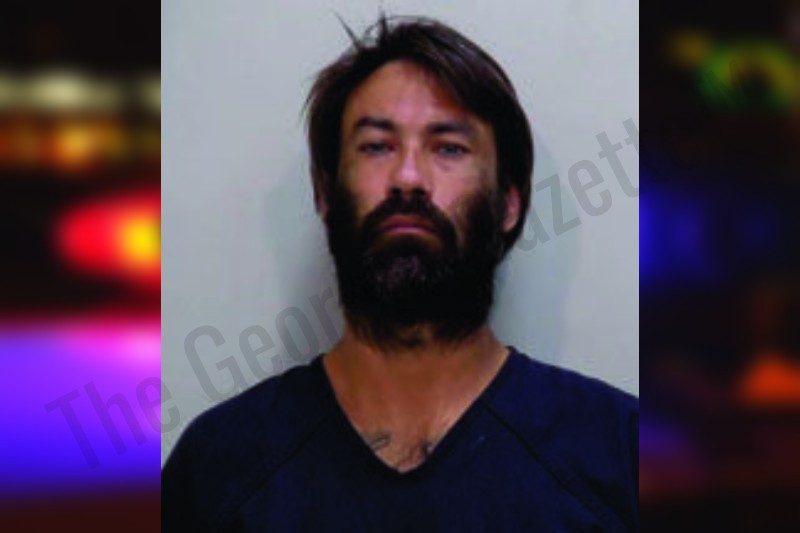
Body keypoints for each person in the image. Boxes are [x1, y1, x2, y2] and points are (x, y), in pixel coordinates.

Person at [162, 15, 638, 532]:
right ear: (324, 192)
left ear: (508, 203)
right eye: (376, 146)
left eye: (449, 147)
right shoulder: (217, 469)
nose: (408, 178)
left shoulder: (618, 455)